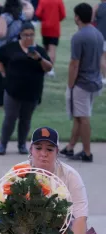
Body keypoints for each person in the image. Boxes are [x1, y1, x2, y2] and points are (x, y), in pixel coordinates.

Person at [16, 127, 89, 234]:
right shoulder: (18, 173)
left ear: (57, 152)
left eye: (49, 149)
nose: (43, 154)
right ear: (30, 150)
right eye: (38, 148)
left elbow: (80, 218)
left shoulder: (71, 176)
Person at [0, 22, 52, 155]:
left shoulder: (39, 51)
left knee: (25, 120)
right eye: (25, 35)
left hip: (32, 92)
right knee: (10, 118)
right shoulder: (12, 48)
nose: (28, 38)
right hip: (13, 90)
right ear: (20, 35)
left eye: (31, 35)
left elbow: (49, 67)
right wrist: (2, 71)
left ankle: (21, 145)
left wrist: (39, 59)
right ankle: (3, 144)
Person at [61, 3, 103, 163]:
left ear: (77, 17)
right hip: (94, 82)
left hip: (81, 84)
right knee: (79, 116)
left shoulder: (78, 37)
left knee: (83, 118)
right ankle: (71, 147)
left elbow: (74, 63)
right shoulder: (98, 34)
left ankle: (87, 152)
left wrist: (71, 84)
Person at [0, 0, 26, 110]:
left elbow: (0, 34)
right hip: (16, 48)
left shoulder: (4, 16)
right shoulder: (22, 16)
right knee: (14, 75)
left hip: (1, 49)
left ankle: (0, 103)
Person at [35, 0, 66, 77]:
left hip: (45, 28)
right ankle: (50, 69)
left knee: (45, 49)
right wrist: (56, 19)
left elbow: (38, 14)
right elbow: (63, 14)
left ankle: (43, 67)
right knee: (52, 49)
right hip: (55, 28)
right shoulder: (59, 1)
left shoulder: (42, 1)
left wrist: (43, 19)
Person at [93, 0, 106, 85]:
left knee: (102, 58)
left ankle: (104, 78)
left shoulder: (98, 6)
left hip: (101, 35)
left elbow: (90, 19)